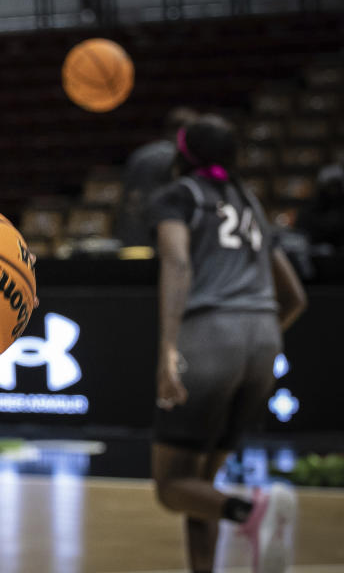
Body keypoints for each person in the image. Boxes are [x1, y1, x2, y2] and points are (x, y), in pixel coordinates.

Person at [149, 114, 308, 573]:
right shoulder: (251, 202)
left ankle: (253, 512)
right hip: (263, 337)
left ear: (182, 153)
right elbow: (295, 296)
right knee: (203, 486)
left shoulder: (179, 195)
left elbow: (177, 264)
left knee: (171, 486)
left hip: (210, 336)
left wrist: (168, 350)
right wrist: (259, 334)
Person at [114, 106, 199, 248]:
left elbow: (128, 197)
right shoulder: (178, 158)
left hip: (131, 230)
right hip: (158, 233)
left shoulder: (140, 154)